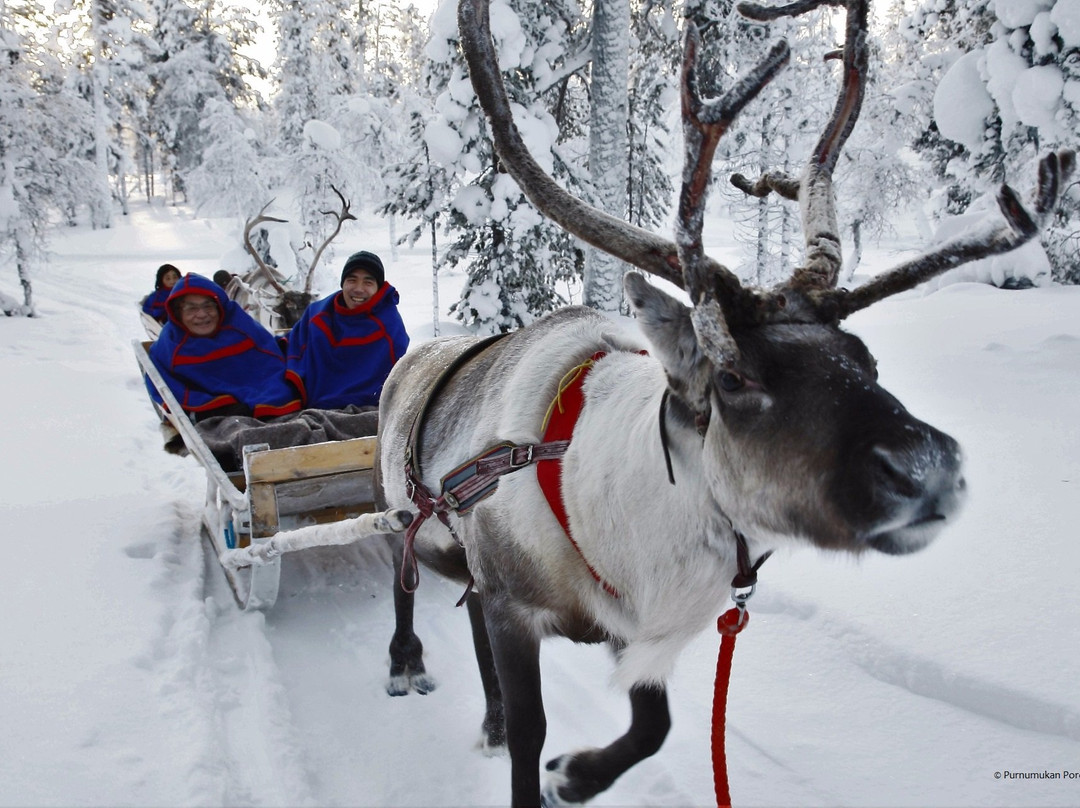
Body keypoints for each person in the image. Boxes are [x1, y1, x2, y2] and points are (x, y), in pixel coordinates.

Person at [147, 273, 302, 422]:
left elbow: (268, 355)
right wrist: (215, 407)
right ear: (177, 313)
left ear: (220, 307)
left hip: (267, 397)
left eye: (208, 306)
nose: (202, 314)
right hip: (222, 412)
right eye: (191, 308)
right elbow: (163, 383)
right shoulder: (172, 344)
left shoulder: (240, 327)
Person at [284, 250, 410, 409]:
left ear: (378, 287)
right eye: (352, 280)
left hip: (361, 408)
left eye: (368, 282)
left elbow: (392, 381)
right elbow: (292, 346)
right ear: (343, 283)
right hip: (310, 401)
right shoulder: (319, 314)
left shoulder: (388, 327)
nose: (359, 289)